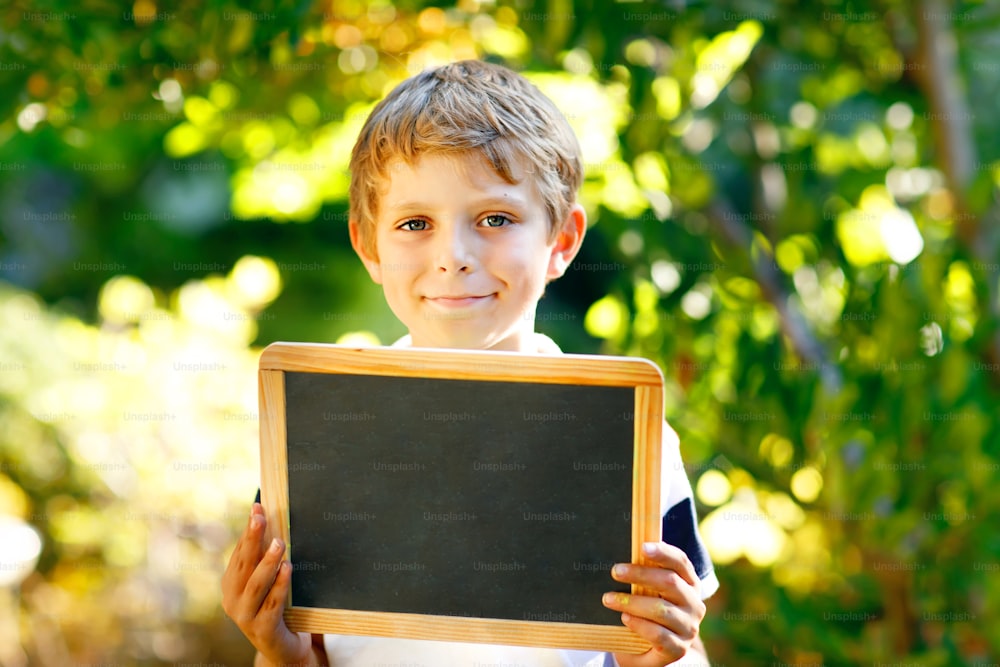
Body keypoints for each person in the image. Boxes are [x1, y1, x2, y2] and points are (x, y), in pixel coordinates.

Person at [222, 59, 718, 666]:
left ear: (561, 240)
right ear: (368, 245)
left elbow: (670, 649)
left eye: (495, 219)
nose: (453, 256)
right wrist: (277, 650)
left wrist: (660, 654)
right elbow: (310, 652)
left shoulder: (630, 437)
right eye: (414, 223)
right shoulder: (320, 433)